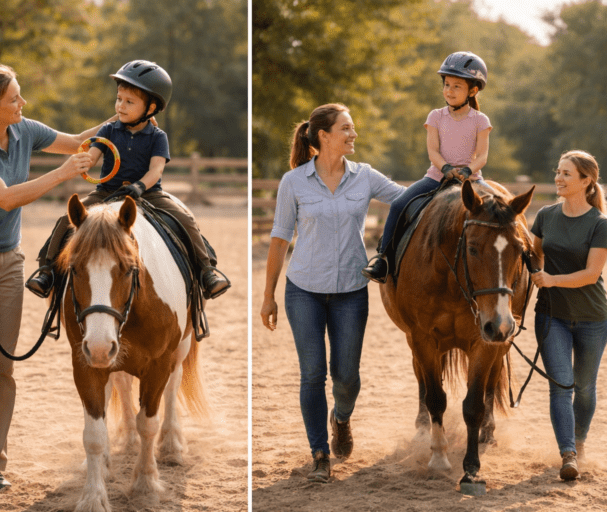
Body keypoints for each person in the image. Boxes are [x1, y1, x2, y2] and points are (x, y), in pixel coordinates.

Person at [0, 63, 117, 492]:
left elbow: (78, 142)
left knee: (2, 364)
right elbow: (3, 198)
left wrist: (125, 116)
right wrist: (61, 174)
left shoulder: (25, 129)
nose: (23, 103)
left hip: (9, 259)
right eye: (14, 98)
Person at [259, 104, 405, 482]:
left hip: (351, 292)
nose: (353, 134)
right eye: (347, 128)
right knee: (312, 374)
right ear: (324, 136)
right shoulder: (294, 181)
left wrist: (445, 181)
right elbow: (279, 239)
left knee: (346, 376)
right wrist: (268, 295)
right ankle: (319, 453)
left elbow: (406, 199)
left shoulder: (365, 176)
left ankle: (341, 417)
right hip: (303, 290)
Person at [26, 59, 230, 300]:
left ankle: (207, 271)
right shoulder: (108, 130)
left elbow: (156, 170)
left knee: (185, 218)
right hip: (107, 192)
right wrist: (84, 163)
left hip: (148, 193)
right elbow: (92, 156)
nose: (120, 106)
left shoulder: (158, 137)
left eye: (129, 102)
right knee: (65, 220)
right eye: (118, 99)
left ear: (151, 107)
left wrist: (139, 186)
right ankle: (47, 270)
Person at [362, 51, 492, 283]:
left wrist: (466, 171)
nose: (449, 91)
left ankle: (521, 258)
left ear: (473, 91)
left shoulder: (480, 120)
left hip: (470, 179)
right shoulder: (436, 116)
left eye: (457, 86)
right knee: (400, 204)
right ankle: (383, 258)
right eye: (447, 85)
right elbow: (433, 151)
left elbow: (482, 156)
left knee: (499, 211)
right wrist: (445, 168)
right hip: (436, 177)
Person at [530, 150, 607, 481]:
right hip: (552, 316)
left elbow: (591, 274)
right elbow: (532, 254)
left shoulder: (599, 223)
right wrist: (536, 272)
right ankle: (569, 454)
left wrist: (551, 279)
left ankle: (580, 442)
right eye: (558, 172)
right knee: (561, 386)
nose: (558, 178)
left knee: (585, 388)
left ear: (585, 181)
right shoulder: (546, 215)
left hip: (592, 318)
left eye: (566, 174)